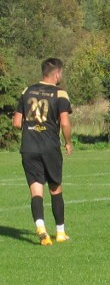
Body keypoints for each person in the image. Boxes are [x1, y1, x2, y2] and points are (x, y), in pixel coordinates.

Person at [12, 58, 73, 246]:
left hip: (29, 147)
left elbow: (16, 124)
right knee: (55, 188)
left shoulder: (26, 91)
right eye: (60, 73)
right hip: (49, 147)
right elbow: (64, 122)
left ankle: (41, 228)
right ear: (56, 74)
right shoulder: (60, 93)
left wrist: (32, 127)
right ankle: (60, 232)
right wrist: (68, 142)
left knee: (36, 190)